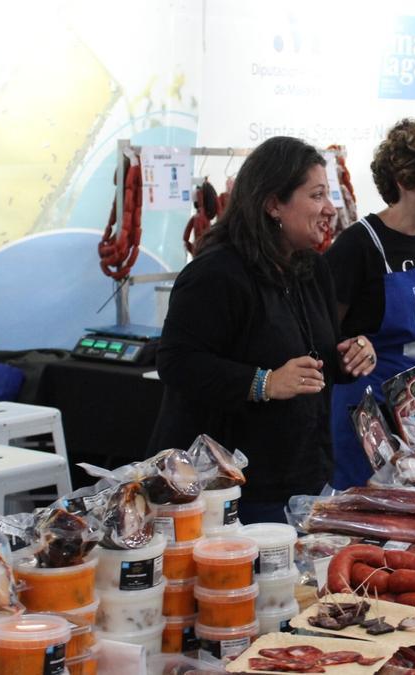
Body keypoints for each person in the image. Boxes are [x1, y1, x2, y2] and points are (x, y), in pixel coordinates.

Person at [149, 136, 377, 524]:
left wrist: (352, 354)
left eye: (329, 194)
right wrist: (264, 383)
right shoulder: (216, 273)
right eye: (317, 195)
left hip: (304, 477)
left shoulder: (312, 268)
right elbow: (176, 362)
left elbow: (312, 361)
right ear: (273, 204)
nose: (329, 208)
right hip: (229, 492)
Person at [325, 119, 415, 489]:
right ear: (404, 179)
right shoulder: (358, 245)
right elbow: (320, 330)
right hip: (372, 412)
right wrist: (352, 342)